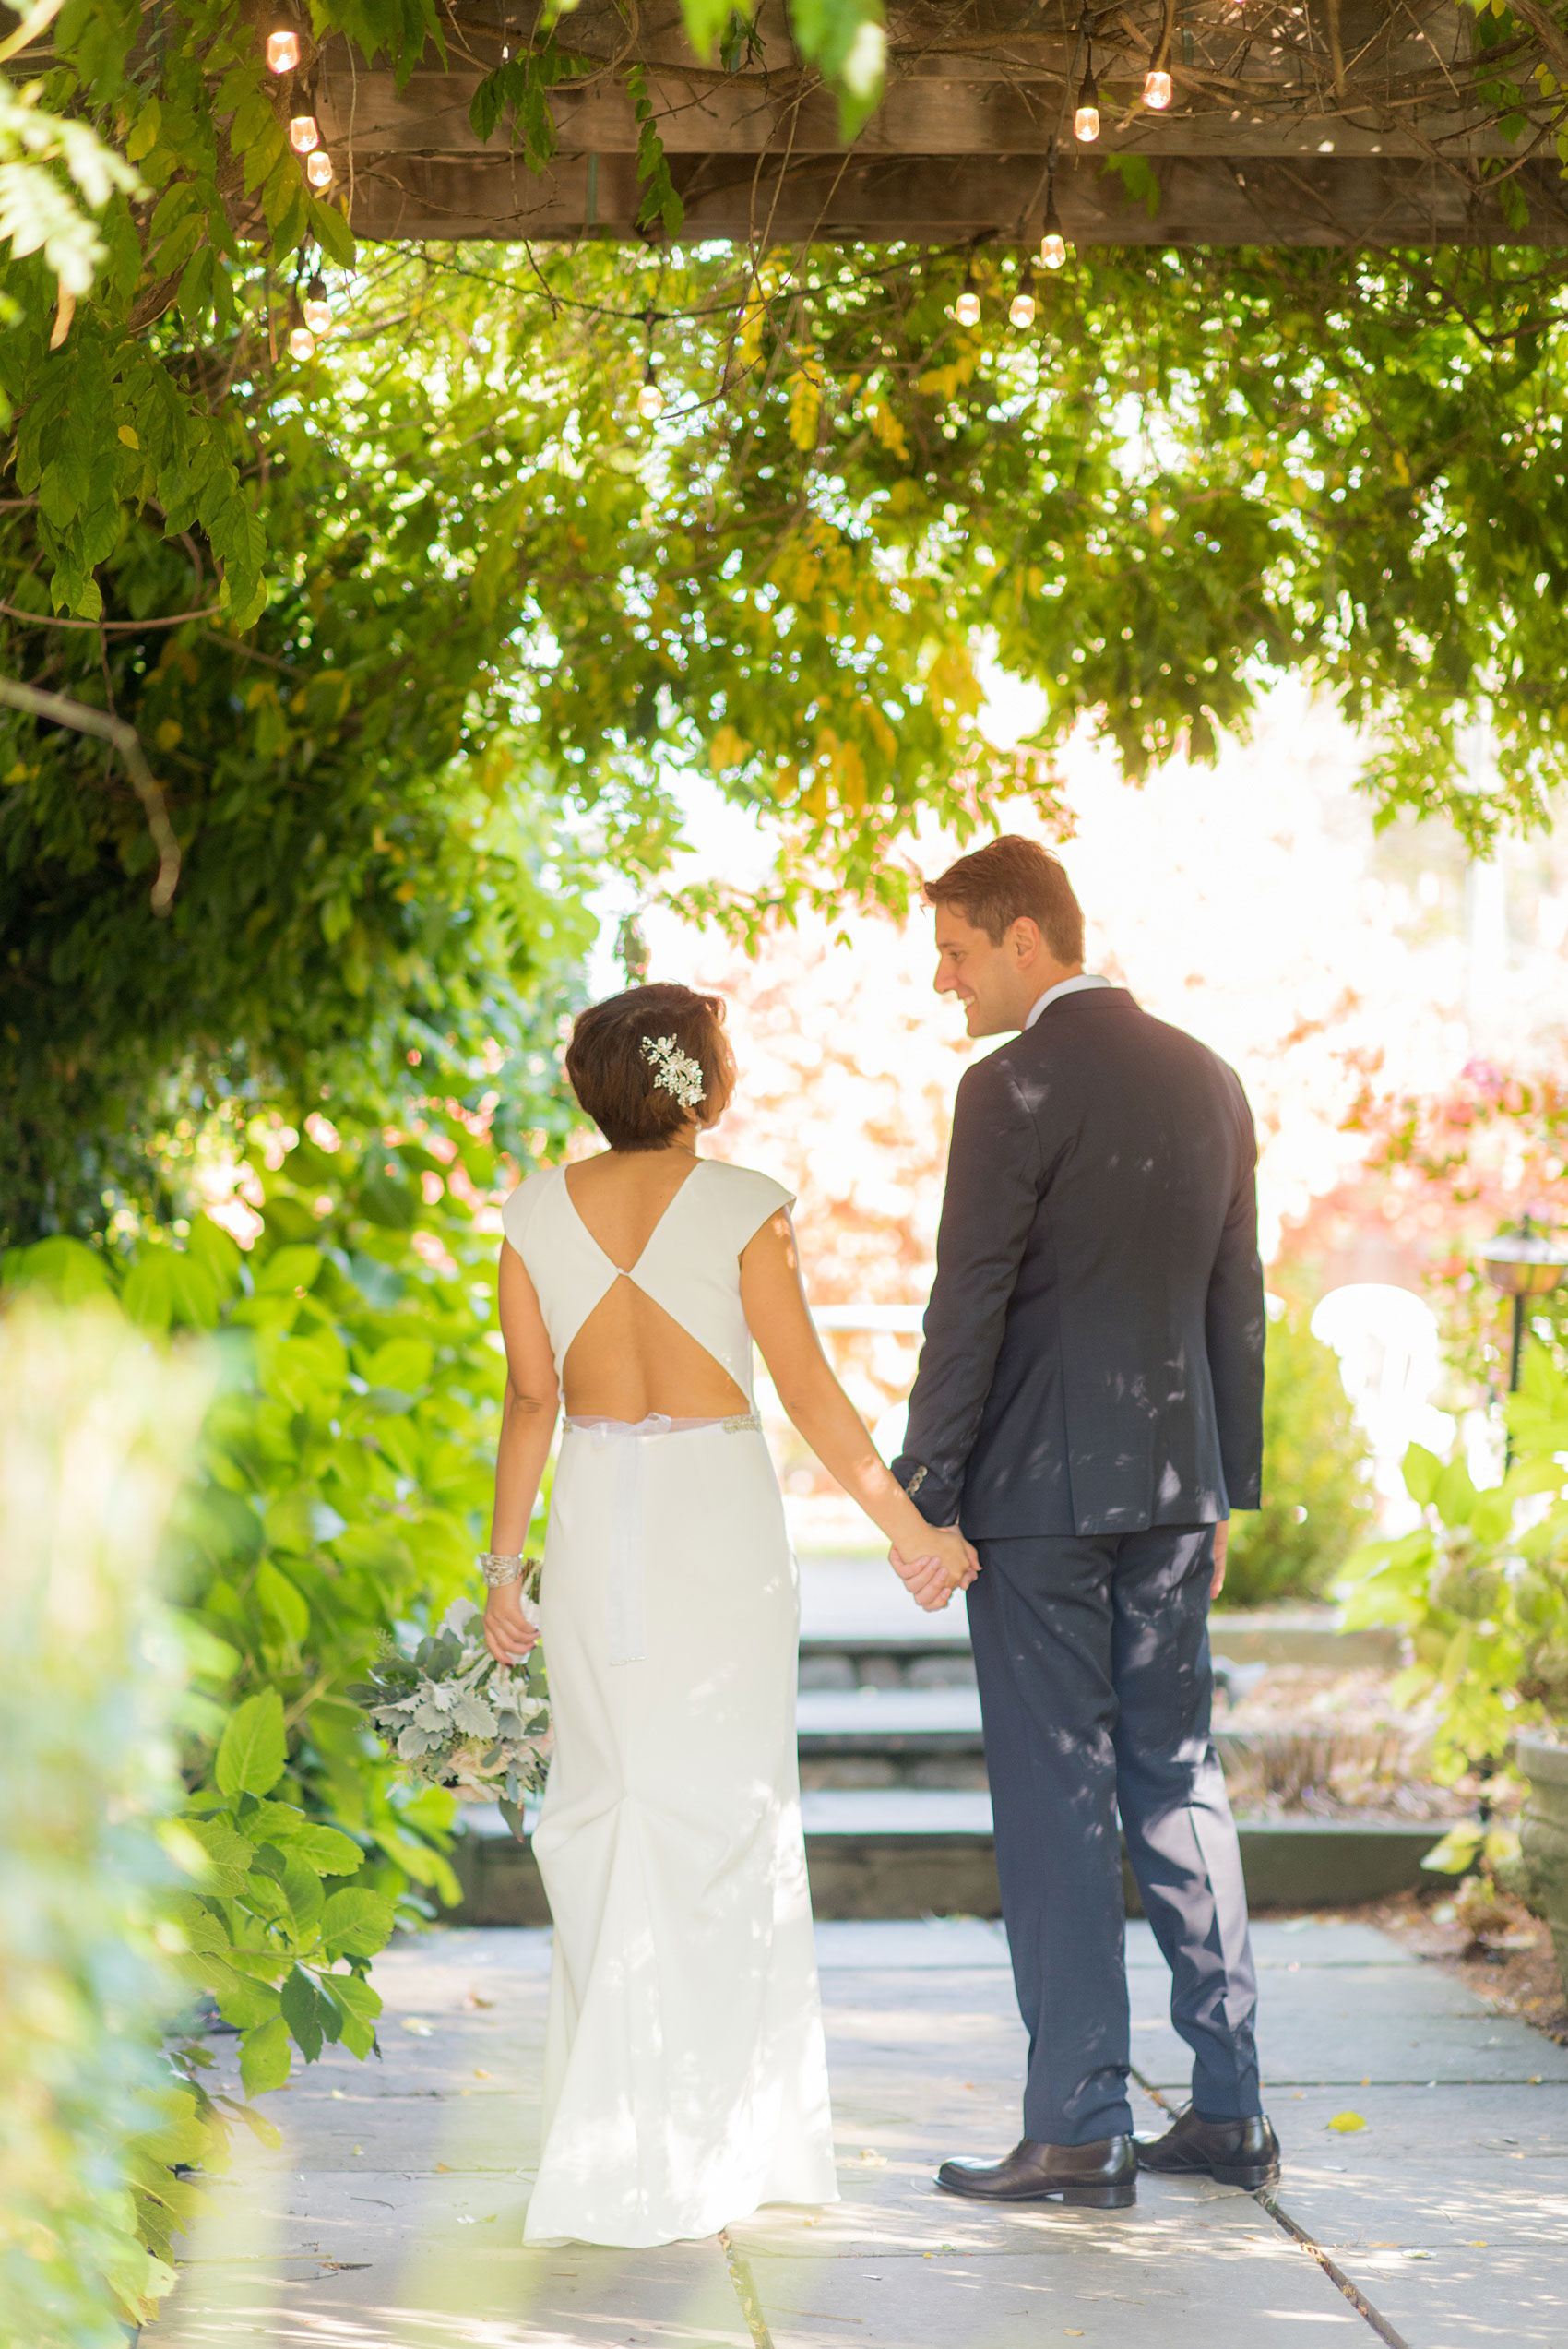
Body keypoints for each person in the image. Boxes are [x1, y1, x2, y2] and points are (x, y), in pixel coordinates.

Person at [481, 981, 977, 2248]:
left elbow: (531, 1403)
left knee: (609, 1798)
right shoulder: (748, 1205)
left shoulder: (532, 1214)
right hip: (716, 1516)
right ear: (700, 1083)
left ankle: (607, 2135)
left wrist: (502, 1571)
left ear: (596, 1085)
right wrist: (911, 1532)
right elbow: (807, 1390)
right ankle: (724, 2135)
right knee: (728, 1804)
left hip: (596, 1515)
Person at [888, 835, 1279, 2209]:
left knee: (1058, 1793)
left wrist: (920, 1491)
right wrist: (1231, 1483)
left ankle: (1077, 2125)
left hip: (1040, 1508)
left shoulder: (1009, 1086)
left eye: (955, 951)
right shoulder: (1210, 1077)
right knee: (1178, 1778)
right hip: (1174, 1495)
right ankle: (1229, 2110)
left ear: (1026, 941)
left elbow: (970, 1298)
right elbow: (1241, 1296)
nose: (945, 981)